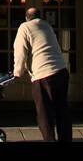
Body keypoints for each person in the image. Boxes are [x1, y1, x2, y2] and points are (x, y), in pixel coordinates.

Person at [12, 7, 71, 142]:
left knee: (44, 114)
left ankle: (49, 139)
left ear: (27, 17)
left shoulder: (24, 27)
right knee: (62, 110)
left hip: (43, 74)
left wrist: (17, 72)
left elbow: (20, 52)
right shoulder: (47, 26)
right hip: (61, 71)